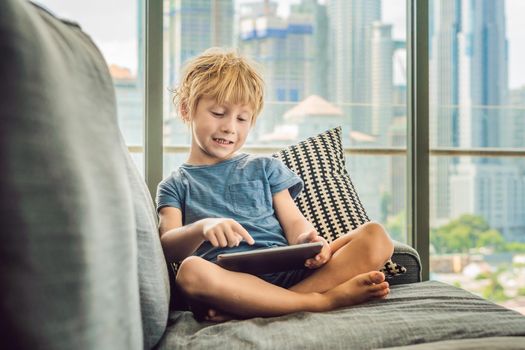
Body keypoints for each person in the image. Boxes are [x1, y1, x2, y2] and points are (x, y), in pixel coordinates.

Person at [156, 48, 394, 322]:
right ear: (186, 110)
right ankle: (321, 301)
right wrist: (202, 227)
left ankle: (278, 303)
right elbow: (168, 246)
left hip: (290, 274)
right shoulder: (175, 184)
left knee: (376, 236)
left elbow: (295, 224)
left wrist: (311, 241)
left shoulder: (265, 168)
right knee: (190, 271)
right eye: (218, 113)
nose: (230, 127)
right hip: (231, 282)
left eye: (242, 119)